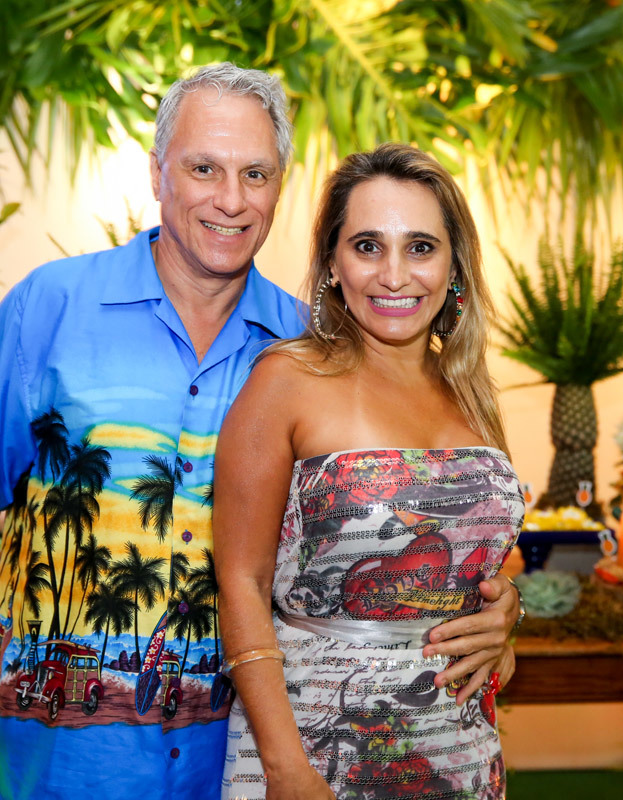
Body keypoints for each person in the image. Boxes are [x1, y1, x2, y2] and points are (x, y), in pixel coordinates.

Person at [0, 66, 521, 800]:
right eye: (203, 168)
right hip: (68, 760)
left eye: (256, 174)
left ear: (279, 188)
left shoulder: (312, 348)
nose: (231, 199)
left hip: (233, 752)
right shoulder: (50, 307)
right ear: (157, 171)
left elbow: (374, 527)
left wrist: (499, 602)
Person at [214, 143, 522, 800]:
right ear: (333, 262)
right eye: (367, 246)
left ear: (454, 264)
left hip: (461, 752)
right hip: (318, 748)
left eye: (420, 247)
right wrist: (285, 769)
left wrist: (504, 622)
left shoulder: (473, 394)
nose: (394, 275)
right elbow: (242, 584)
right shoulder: (286, 380)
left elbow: (481, 568)